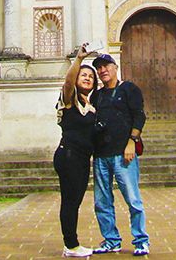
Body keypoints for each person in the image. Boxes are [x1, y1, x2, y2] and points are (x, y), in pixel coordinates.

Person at [90, 53, 149, 256]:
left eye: (106, 66)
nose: (102, 70)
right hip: (100, 155)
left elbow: (139, 115)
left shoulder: (129, 89)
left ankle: (141, 240)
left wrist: (132, 142)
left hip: (123, 154)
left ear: (115, 67)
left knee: (133, 199)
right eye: (99, 68)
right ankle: (111, 240)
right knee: (102, 201)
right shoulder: (96, 96)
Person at [54, 44, 101, 257]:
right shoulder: (68, 99)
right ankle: (70, 245)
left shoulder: (91, 106)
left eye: (91, 77)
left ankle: (72, 242)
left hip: (82, 158)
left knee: (76, 201)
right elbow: (67, 82)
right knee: (70, 200)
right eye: (83, 75)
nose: (87, 78)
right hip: (68, 154)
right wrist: (79, 60)